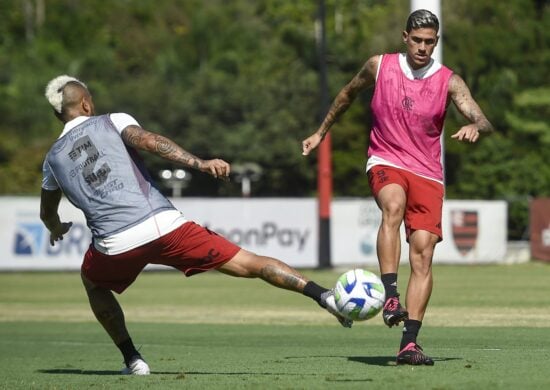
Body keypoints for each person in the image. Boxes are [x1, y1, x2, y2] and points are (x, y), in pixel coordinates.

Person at [40, 75, 352, 376]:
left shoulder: (52, 159)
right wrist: (199, 163)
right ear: (84, 104)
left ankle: (134, 359)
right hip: (164, 225)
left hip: (114, 244)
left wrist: (56, 228)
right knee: (249, 262)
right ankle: (322, 295)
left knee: (93, 283)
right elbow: (149, 141)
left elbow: (47, 212)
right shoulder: (112, 120)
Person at [302, 9, 493, 365]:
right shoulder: (379, 66)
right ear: (405, 37)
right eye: (417, 40)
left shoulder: (448, 80)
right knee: (393, 205)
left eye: (429, 42)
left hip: (428, 173)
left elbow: (481, 116)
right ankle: (390, 294)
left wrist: (476, 127)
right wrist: (320, 133)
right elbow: (346, 95)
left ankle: (409, 344)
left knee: (423, 253)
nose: (422, 47)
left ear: (436, 42)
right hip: (386, 160)